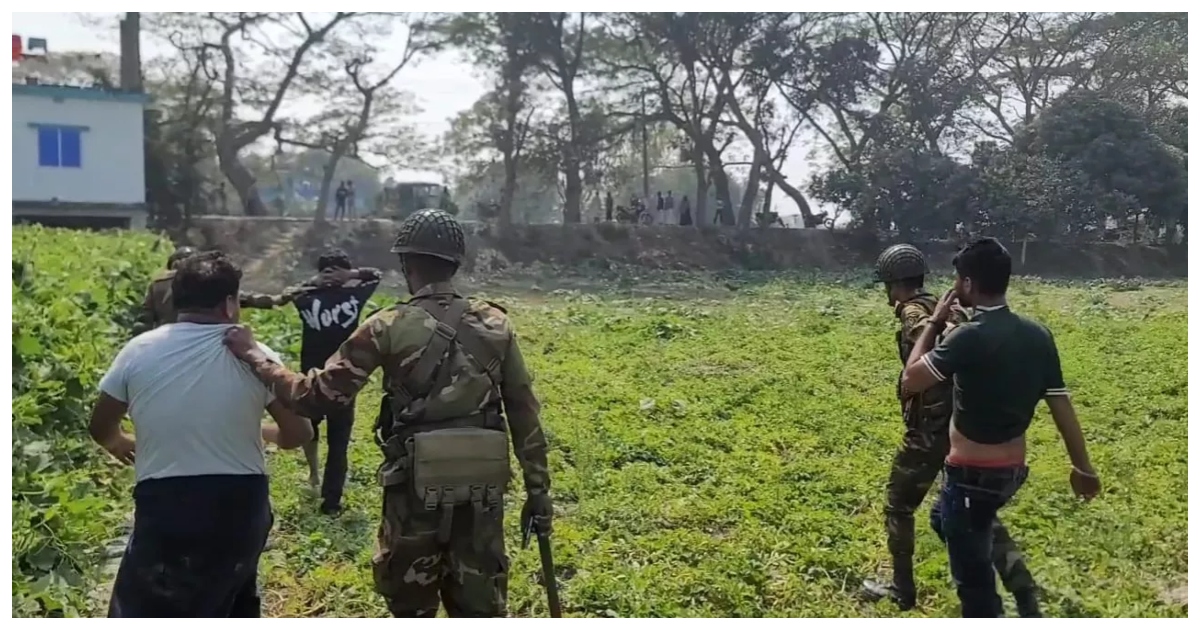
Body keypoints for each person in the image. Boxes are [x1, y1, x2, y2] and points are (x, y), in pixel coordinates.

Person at [222, 209, 553, 618]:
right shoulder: (496, 323)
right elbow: (524, 414)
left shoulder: (387, 326)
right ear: (455, 262)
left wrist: (257, 357)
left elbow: (313, 398)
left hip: (414, 495)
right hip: (481, 495)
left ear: (406, 263)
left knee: (410, 605)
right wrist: (539, 494)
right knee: (481, 607)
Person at [90, 251, 313, 617]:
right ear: (228, 304)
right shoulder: (256, 355)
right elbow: (297, 433)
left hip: (167, 504)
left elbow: (101, 426)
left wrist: (120, 443)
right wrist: (261, 432)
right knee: (232, 600)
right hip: (240, 505)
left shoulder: (138, 351)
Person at [901, 238, 1101, 618]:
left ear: (970, 284)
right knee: (946, 519)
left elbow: (911, 380)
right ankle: (1018, 577)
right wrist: (1083, 468)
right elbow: (1061, 404)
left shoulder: (968, 336)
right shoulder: (1038, 334)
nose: (956, 286)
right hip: (1011, 473)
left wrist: (934, 322)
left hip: (970, 477)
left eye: (959, 279)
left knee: (975, 588)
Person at [861, 244, 1040, 616]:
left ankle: (902, 589)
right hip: (961, 427)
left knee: (899, 504)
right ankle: (1021, 583)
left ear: (894, 284)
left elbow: (925, 366)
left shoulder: (914, 313)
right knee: (978, 515)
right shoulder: (946, 305)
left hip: (931, 430)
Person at [289, 249, 383, 514]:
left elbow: (376, 275)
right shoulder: (341, 295)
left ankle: (320, 483)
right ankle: (324, 491)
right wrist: (342, 277)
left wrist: (326, 279)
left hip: (324, 378)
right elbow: (375, 276)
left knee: (326, 436)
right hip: (336, 379)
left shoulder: (314, 295)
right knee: (329, 438)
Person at [133, 247, 298, 335]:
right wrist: (276, 300)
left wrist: (142, 345)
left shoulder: (158, 284)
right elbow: (245, 298)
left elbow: (143, 320)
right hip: (207, 338)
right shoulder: (202, 280)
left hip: (166, 340)